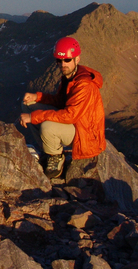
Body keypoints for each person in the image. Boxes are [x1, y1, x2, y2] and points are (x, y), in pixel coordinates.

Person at [19, 36, 106, 179]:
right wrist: (37, 97)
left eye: (67, 60)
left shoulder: (84, 85)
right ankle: (49, 150)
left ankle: (56, 158)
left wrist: (33, 117)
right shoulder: (70, 77)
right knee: (27, 105)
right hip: (75, 124)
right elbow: (61, 102)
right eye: (59, 61)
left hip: (85, 135)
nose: (62, 64)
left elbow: (70, 115)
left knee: (47, 127)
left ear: (77, 59)